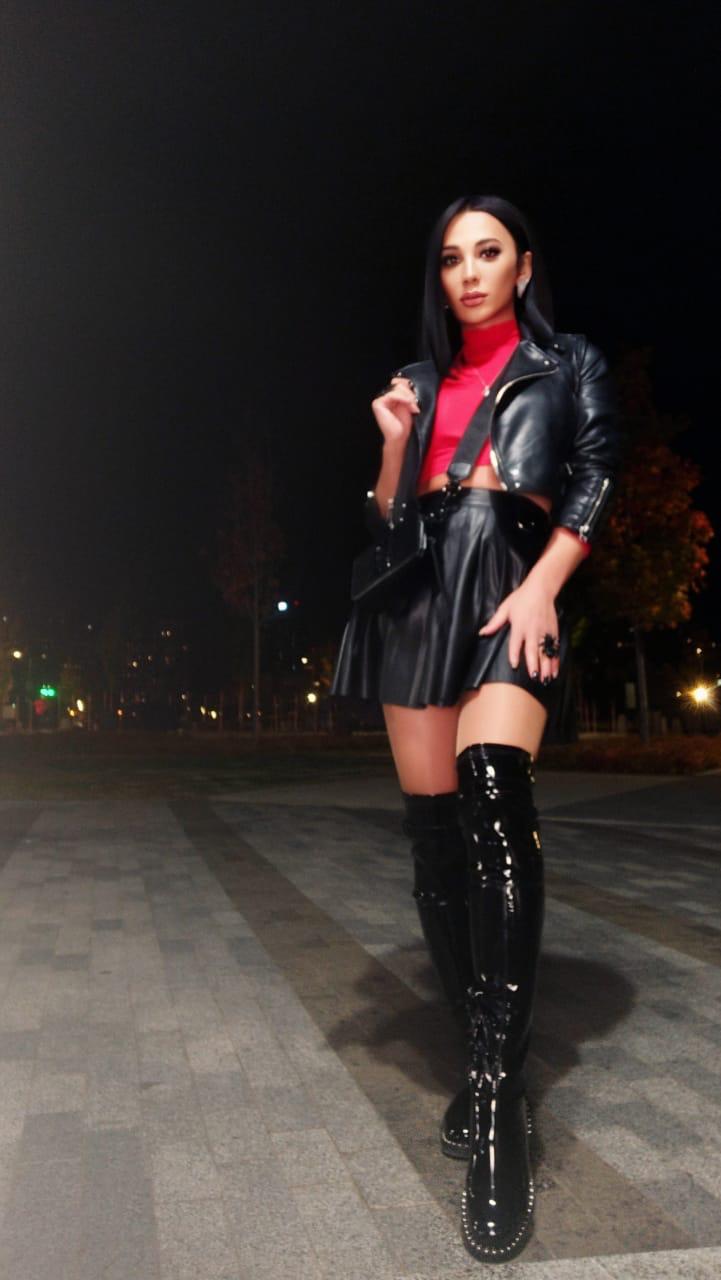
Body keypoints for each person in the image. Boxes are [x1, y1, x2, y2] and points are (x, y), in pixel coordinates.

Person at [330, 194, 621, 1263]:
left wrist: (543, 586)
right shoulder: (415, 381)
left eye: (487, 252)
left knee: (496, 792)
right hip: (419, 603)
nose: (468, 272)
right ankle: (480, 1050)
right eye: (451, 257)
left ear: (522, 265)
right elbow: (388, 520)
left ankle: (498, 1097)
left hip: (510, 585)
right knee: (436, 844)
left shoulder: (567, 360)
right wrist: (392, 447)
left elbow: (595, 472)